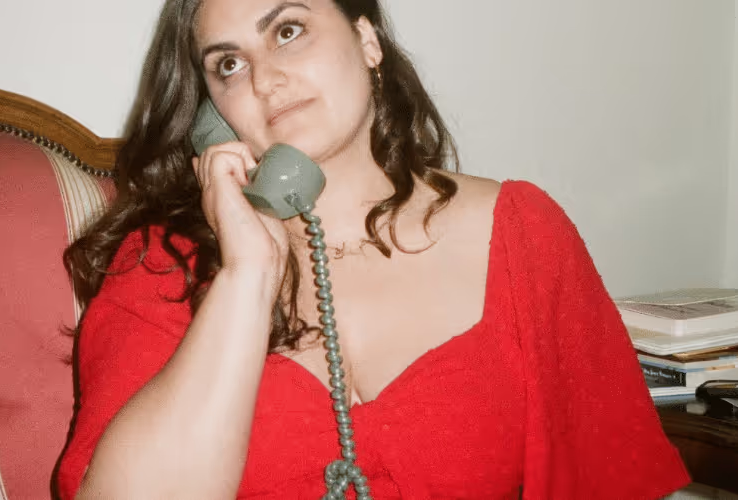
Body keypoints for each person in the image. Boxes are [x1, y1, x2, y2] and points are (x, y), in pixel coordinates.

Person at [54, 0, 691, 498]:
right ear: (211, 116)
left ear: (366, 39)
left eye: (287, 31)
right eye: (229, 64)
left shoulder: (522, 233)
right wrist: (247, 277)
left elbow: (610, 479)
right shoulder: (163, 266)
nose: (266, 80)